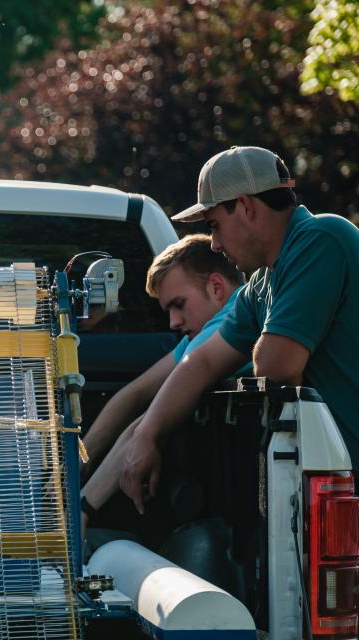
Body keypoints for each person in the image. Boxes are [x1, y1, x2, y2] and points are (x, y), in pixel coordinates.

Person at [120, 146, 359, 515]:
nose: (213, 243)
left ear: (246, 207)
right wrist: (147, 435)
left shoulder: (320, 238)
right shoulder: (263, 282)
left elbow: (276, 366)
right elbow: (200, 362)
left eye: (214, 225)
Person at [80, 234, 247, 532]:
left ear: (216, 287)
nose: (173, 322)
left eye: (179, 305)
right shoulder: (205, 332)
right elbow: (134, 394)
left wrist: (81, 510)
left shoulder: (229, 322)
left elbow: (145, 424)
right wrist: (79, 463)